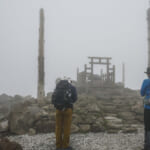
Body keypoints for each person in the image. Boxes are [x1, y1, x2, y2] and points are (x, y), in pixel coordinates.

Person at [52, 78, 77, 150]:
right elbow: (75, 98)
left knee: (58, 127)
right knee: (66, 128)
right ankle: (65, 146)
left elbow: (54, 98)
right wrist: (69, 102)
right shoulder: (72, 87)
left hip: (58, 109)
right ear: (70, 81)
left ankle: (58, 145)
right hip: (68, 109)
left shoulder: (58, 86)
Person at [141, 67, 150, 150]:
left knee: (147, 126)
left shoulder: (146, 81)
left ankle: (147, 145)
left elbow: (142, 93)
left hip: (148, 107)